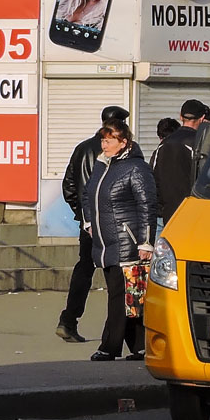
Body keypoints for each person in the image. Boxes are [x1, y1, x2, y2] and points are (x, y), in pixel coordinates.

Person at [56, 105, 136, 343]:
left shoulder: (81, 149)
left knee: (84, 269)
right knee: (117, 276)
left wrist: (81, 214)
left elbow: (69, 186)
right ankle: (119, 333)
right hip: (114, 223)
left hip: (88, 223)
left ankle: (68, 320)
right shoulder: (121, 151)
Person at [81, 119, 156, 361]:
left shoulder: (136, 168)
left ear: (124, 142)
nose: (105, 144)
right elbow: (88, 195)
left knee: (119, 296)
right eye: (103, 139)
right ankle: (140, 346)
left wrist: (145, 242)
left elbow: (147, 205)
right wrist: (89, 222)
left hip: (127, 244)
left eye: (110, 139)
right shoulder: (102, 166)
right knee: (129, 297)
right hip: (105, 243)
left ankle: (109, 347)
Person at [154, 98, 208, 223]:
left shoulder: (163, 144)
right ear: (202, 118)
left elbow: (155, 179)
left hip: (167, 214)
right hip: (193, 213)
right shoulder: (201, 145)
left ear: (180, 116)